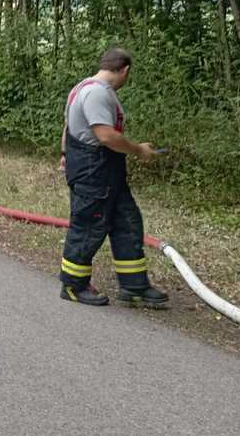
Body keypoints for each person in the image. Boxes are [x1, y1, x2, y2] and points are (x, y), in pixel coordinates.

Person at [58, 47, 168, 307]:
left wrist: (64, 153)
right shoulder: (96, 93)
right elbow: (106, 135)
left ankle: (134, 286)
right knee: (89, 227)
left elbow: (68, 127)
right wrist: (138, 150)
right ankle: (73, 285)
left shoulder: (84, 87)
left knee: (127, 223)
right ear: (125, 70)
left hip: (107, 173)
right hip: (94, 173)